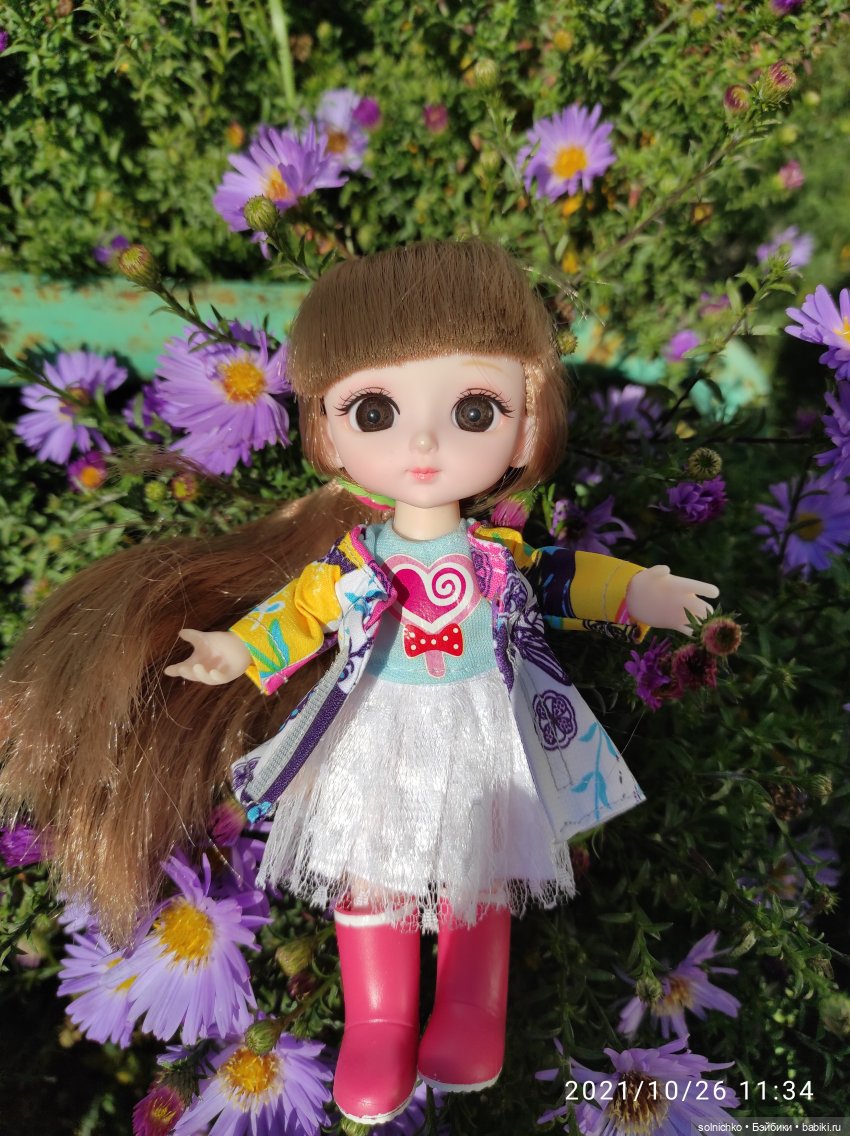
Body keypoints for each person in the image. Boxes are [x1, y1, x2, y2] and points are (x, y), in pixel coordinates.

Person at [0, 240, 717, 1126]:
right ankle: (378, 1022)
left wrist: (640, 591)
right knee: (370, 876)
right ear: (327, 431)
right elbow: (300, 612)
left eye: (474, 409)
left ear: (527, 421)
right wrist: (237, 651)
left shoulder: (499, 556)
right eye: (375, 410)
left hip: (479, 731)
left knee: (478, 872)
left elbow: (565, 579)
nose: (423, 442)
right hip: (376, 731)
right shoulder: (355, 560)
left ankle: (471, 1010)